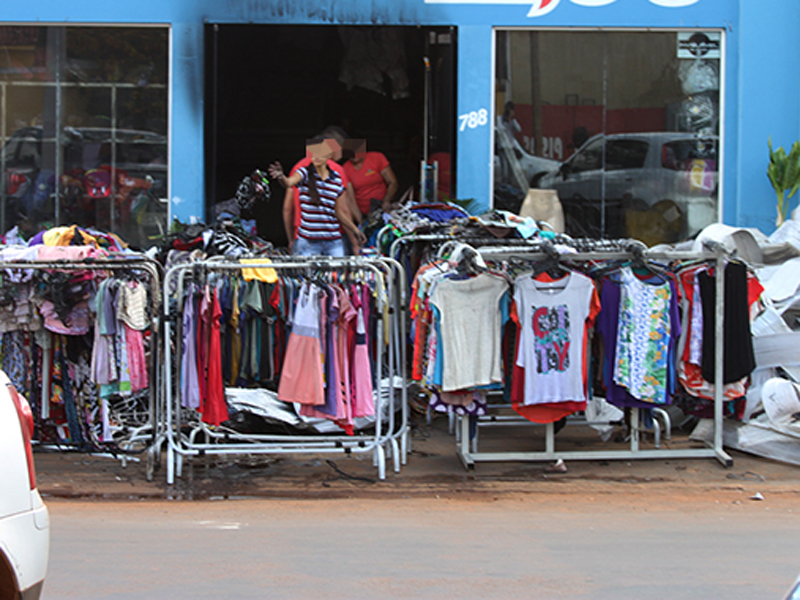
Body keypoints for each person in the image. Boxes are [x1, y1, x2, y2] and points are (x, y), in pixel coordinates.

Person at [269, 138, 365, 257]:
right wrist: (280, 177)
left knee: (332, 275)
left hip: (332, 241)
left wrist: (355, 230)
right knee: (315, 275)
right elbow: (288, 183)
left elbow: (339, 212)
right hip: (308, 241)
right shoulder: (303, 173)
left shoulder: (336, 178)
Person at [342, 138, 399, 216]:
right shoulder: (345, 168)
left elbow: (392, 182)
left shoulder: (377, 158)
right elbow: (350, 199)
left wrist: (386, 200)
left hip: (382, 207)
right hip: (362, 211)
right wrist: (361, 222)